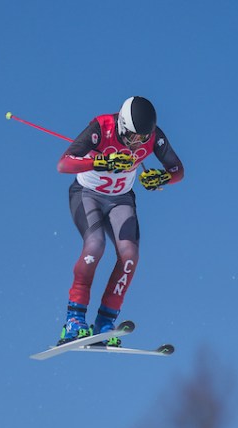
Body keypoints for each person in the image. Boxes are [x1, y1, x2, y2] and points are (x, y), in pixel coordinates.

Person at [54, 95, 184, 345]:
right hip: (87, 194)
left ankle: (105, 321)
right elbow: (64, 163)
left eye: (144, 138)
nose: (139, 143)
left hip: (120, 199)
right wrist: (100, 161)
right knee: (95, 246)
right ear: (123, 126)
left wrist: (161, 178)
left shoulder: (153, 136)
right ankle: (74, 319)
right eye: (134, 137)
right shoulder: (101, 128)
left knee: (129, 257)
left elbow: (178, 169)